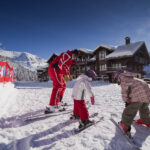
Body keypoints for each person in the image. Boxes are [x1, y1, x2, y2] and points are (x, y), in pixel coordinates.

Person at [113, 70, 150, 135]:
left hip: (137, 97)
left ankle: (124, 125)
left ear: (118, 77)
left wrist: (126, 101)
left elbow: (125, 92)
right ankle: (146, 120)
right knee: (144, 109)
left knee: (129, 112)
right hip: (147, 96)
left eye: (116, 79)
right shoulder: (133, 79)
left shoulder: (124, 79)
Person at [45, 49, 79, 114]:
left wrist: (68, 75)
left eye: (76, 57)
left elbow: (66, 68)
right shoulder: (67, 55)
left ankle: (59, 102)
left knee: (63, 86)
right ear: (73, 53)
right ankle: (52, 105)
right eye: (75, 56)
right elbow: (61, 64)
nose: (75, 57)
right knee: (58, 86)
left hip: (59, 71)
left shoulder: (70, 59)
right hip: (54, 69)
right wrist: (66, 75)